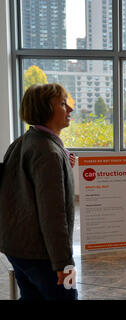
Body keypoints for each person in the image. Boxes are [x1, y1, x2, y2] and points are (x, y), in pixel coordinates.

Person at [0, 83, 78, 300]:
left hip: (16, 248)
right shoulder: (49, 153)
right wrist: (64, 263)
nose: (70, 109)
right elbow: (53, 214)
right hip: (40, 253)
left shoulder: (24, 141)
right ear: (46, 109)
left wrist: (62, 163)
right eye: (63, 104)